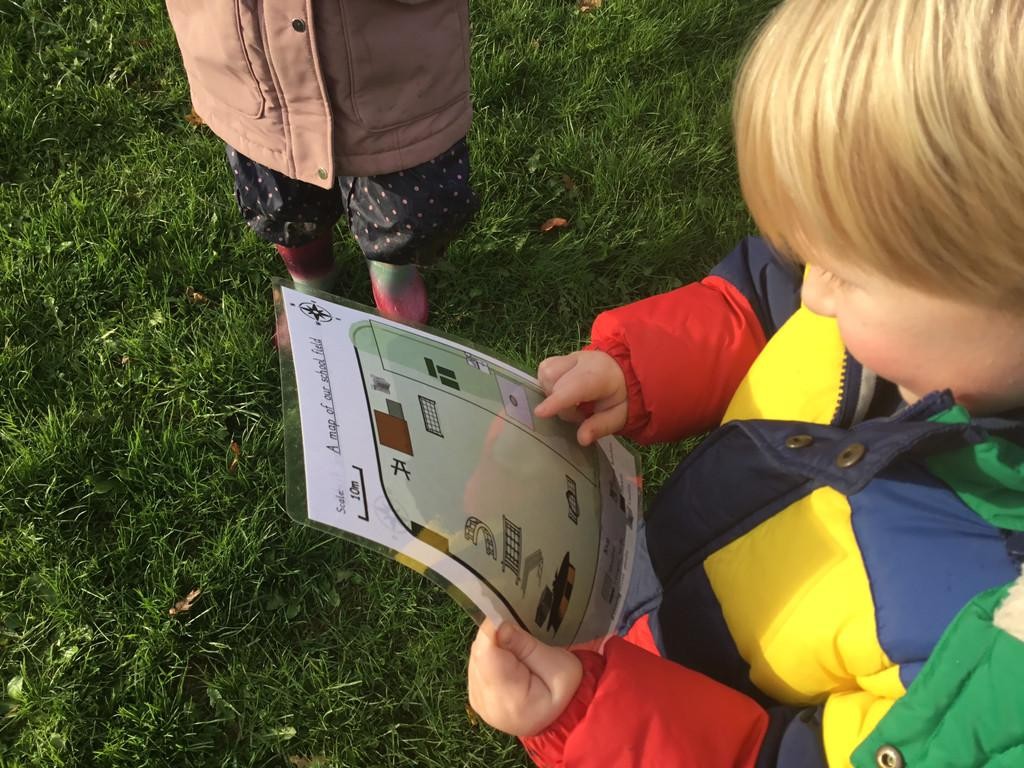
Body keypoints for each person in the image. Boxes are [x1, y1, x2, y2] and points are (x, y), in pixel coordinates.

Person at [467, 1, 1024, 765]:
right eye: (812, 250)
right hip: (665, 570)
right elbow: (764, 300)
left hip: (692, 698)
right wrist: (639, 369)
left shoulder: (997, 663)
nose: (815, 292)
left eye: (845, 270)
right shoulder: (929, 305)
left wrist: (595, 718)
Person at [165, 2, 478, 324]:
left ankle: (393, 278)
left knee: (408, 208)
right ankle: (310, 278)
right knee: (279, 195)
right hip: (249, 50)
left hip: (389, 57)